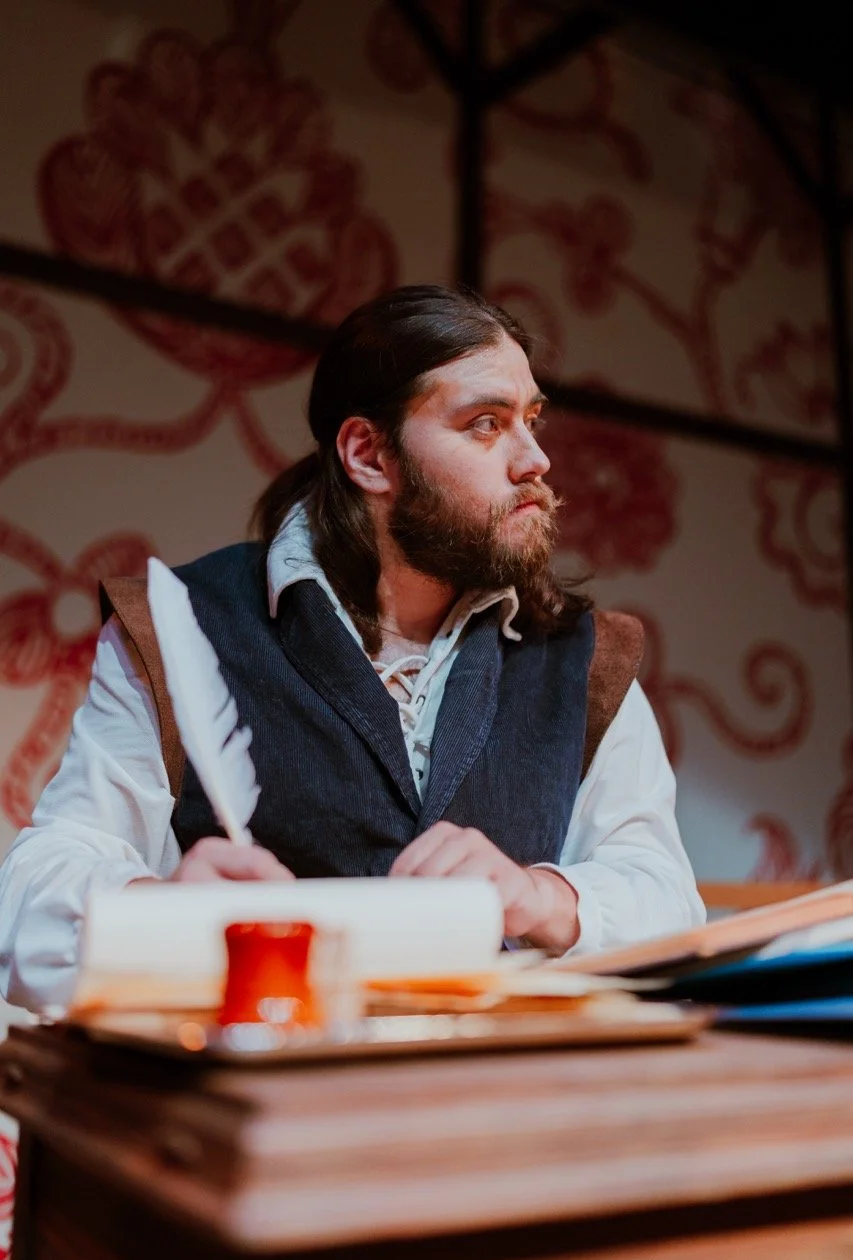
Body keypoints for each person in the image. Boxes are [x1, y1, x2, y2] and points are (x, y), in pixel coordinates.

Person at [0, 285, 704, 1012]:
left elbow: (667, 900)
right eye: (485, 424)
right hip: (265, 1074)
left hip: (504, 1078)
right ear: (368, 454)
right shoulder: (178, 626)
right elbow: (32, 901)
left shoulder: (584, 660)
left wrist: (541, 896)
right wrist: (164, 908)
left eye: (530, 420)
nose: (536, 460)